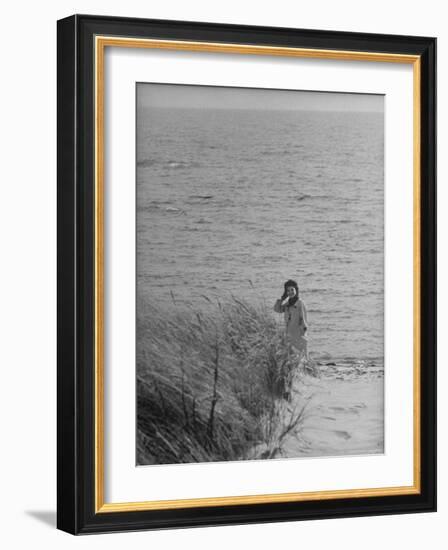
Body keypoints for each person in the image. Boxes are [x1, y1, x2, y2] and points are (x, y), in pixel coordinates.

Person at [274, 279, 309, 363]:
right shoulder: (287, 304)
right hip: (289, 336)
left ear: (296, 290)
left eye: (292, 290)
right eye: (288, 290)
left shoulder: (300, 303)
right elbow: (277, 309)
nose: (290, 292)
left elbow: (304, 319)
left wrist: (303, 333)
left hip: (299, 336)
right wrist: (282, 298)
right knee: (291, 359)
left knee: (302, 359)